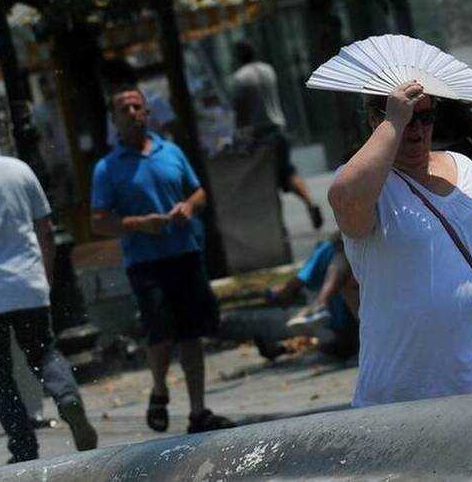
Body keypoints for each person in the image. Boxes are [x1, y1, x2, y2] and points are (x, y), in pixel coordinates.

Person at [327, 82, 472, 407]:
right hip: (409, 398)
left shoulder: (465, 167)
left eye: (425, 118)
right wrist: (393, 122)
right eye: (407, 119)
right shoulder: (369, 188)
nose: (416, 131)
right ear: (375, 119)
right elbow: (343, 198)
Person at [0, 113, 97, 463]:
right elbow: (46, 230)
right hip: (28, 285)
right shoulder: (20, 170)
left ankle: (23, 447)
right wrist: (45, 276)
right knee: (44, 353)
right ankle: (67, 397)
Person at [91, 86, 235, 434]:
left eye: (136, 107)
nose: (132, 113)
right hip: (145, 262)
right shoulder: (107, 168)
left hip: (185, 253)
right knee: (160, 334)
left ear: (146, 112)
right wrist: (140, 224)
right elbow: (99, 221)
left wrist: (189, 206)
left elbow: (198, 192)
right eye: (124, 109)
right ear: (114, 119)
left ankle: (198, 411)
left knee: (191, 334)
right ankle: (159, 390)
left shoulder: (170, 151)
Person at [230, 40, 323, 230]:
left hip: (259, 135)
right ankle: (310, 202)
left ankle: (279, 226)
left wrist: (238, 132)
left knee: (267, 181)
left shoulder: (240, 77)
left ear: (238, 56)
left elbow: (240, 108)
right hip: (278, 129)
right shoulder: (268, 70)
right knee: (288, 173)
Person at [264, 238, 360, 359]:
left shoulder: (325, 252)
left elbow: (299, 279)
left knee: (333, 341)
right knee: (328, 342)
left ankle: (320, 307)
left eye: (279, 300)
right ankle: (284, 349)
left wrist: (286, 291)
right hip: (344, 323)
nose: (284, 305)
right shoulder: (310, 288)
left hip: (349, 321)